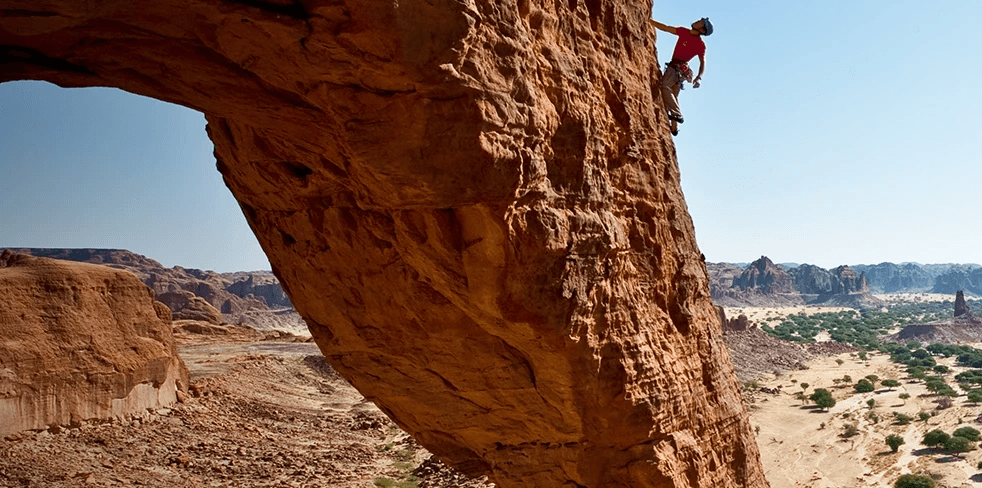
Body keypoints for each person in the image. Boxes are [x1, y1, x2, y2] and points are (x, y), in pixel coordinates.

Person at [651, 17, 713, 136]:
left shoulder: (700, 44)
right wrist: (650, 21)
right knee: (673, 96)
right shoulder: (684, 31)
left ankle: (677, 114)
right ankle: (674, 127)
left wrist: (699, 77)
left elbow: (702, 62)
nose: (697, 20)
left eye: (701, 21)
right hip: (680, 71)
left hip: (676, 68)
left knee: (664, 87)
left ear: (702, 30)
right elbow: (666, 28)